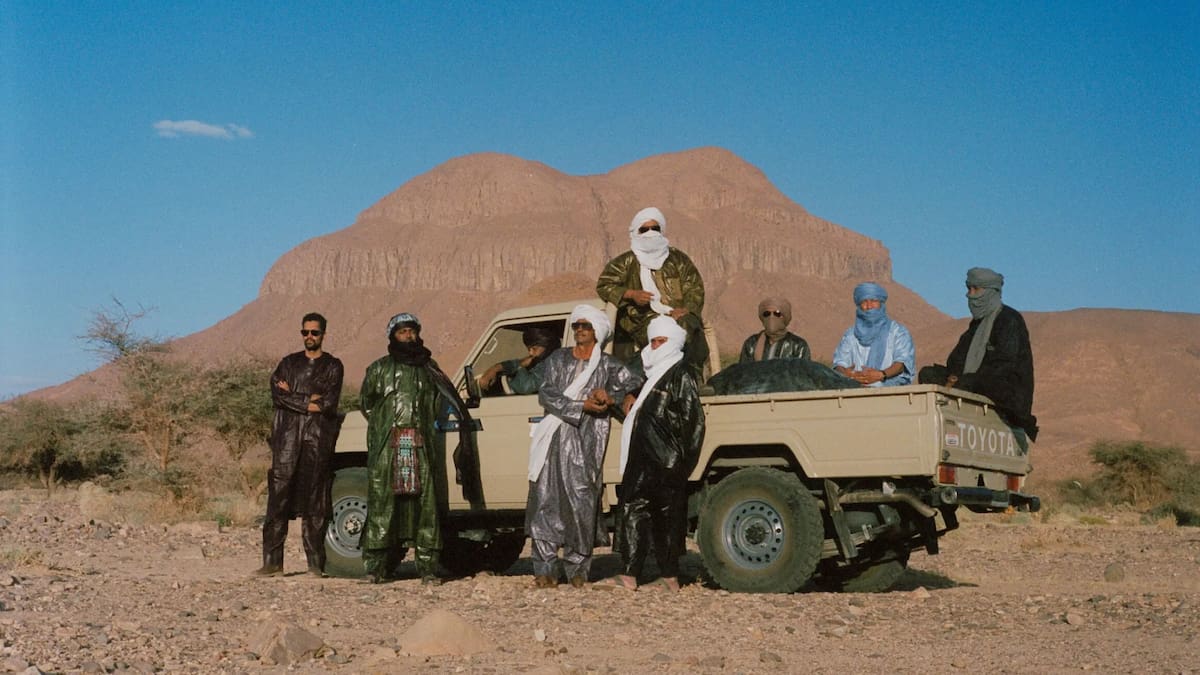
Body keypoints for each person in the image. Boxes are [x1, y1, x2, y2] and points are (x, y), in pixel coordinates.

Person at [526, 304, 642, 588]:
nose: (579, 330)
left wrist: (611, 396)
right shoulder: (558, 359)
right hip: (553, 439)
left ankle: (578, 570)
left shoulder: (608, 365)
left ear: (597, 332)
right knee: (546, 500)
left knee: (582, 501)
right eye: (576, 325)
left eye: (585, 326)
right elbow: (547, 393)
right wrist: (581, 406)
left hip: (587, 441)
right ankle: (545, 569)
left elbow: (635, 383)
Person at [359, 312, 476, 585]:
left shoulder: (429, 368)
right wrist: (385, 426)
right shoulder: (378, 369)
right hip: (388, 447)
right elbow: (367, 405)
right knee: (383, 504)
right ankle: (376, 567)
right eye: (402, 332)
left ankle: (428, 568)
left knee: (426, 506)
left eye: (412, 331)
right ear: (392, 336)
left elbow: (437, 403)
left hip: (421, 445)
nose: (408, 336)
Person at [598, 316, 705, 592]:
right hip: (642, 459)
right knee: (634, 511)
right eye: (653, 341)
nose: (655, 346)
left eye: (661, 341)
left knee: (664, 518)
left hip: (666, 461)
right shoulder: (652, 376)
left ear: (674, 343)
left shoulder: (680, 374)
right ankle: (630, 575)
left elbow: (694, 423)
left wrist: (681, 464)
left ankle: (668, 578)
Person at [257, 312, 344, 578]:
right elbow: (277, 396)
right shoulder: (288, 363)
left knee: (315, 502)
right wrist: (308, 401)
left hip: (317, 440)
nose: (309, 336)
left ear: (323, 334)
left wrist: (293, 396)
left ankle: (315, 564)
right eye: (305, 332)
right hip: (286, 440)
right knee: (278, 499)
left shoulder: (333, 366)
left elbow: (328, 403)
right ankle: (272, 563)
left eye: (314, 332)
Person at [919, 267, 1038, 450]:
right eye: (969, 289)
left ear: (991, 291)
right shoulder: (977, 324)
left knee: (986, 382)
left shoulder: (1009, 320)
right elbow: (956, 359)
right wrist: (955, 376)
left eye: (976, 289)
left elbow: (1004, 364)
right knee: (928, 374)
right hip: (971, 380)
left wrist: (967, 380)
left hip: (1002, 386)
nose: (970, 295)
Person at [596, 206, 707, 377]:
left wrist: (685, 309)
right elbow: (604, 285)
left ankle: (690, 378)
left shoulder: (678, 259)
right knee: (662, 331)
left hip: (680, 316)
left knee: (687, 326)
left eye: (655, 228)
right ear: (636, 232)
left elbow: (694, 287)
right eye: (644, 229)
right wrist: (631, 294)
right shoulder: (626, 261)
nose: (650, 233)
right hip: (642, 320)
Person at [832, 282, 914, 387]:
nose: (869, 306)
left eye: (873, 301)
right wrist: (846, 374)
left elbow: (902, 363)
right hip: (856, 391)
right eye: (864, 302)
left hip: (892, 391)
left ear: (881, 303)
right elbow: (839, 363)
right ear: (859, 305)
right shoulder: (850, 335)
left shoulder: (898, 332)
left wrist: (881, 375)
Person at [476, 326, 560, 395]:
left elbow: (525, 387)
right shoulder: (540, 358)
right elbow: (517, 363)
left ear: (547, 346)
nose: (530, 353)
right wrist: (495, 368)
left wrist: (520, 367)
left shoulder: (551, 366)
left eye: (534, 349)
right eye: (529, 349)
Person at [738, 297, 811, 363]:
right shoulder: (752, 343)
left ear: (785, 317)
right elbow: (743, 371)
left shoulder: (798, 345)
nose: (771, 317)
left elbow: (802, 372)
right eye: (767, 313)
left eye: (777, 313)